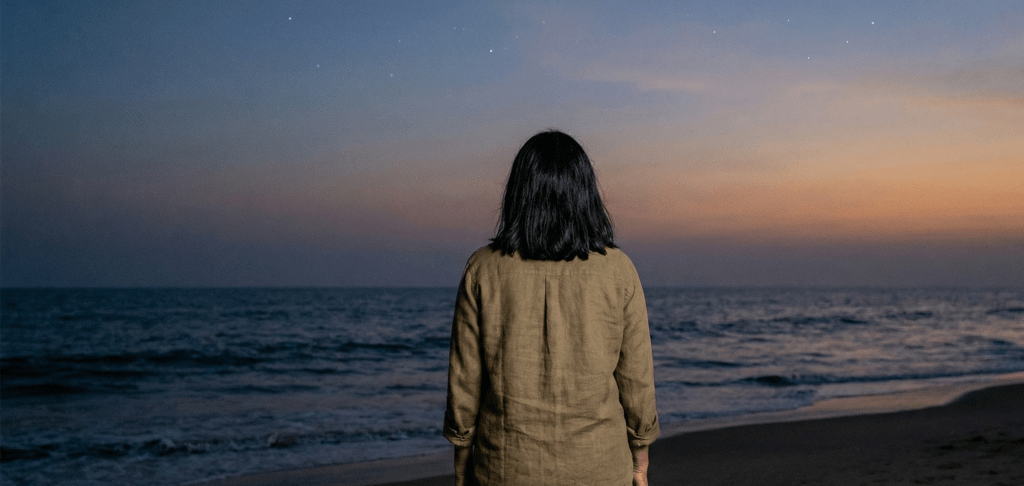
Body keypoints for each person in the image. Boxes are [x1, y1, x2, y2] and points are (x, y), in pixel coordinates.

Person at [444, 130, 659, 486]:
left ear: (519, 192)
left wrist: (462, 460)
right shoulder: (619, 270)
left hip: (504, 468)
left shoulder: (482, 268)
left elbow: (464, 380)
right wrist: (640, 457)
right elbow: (637, 379)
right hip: (600, 468)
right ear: (585, 195)